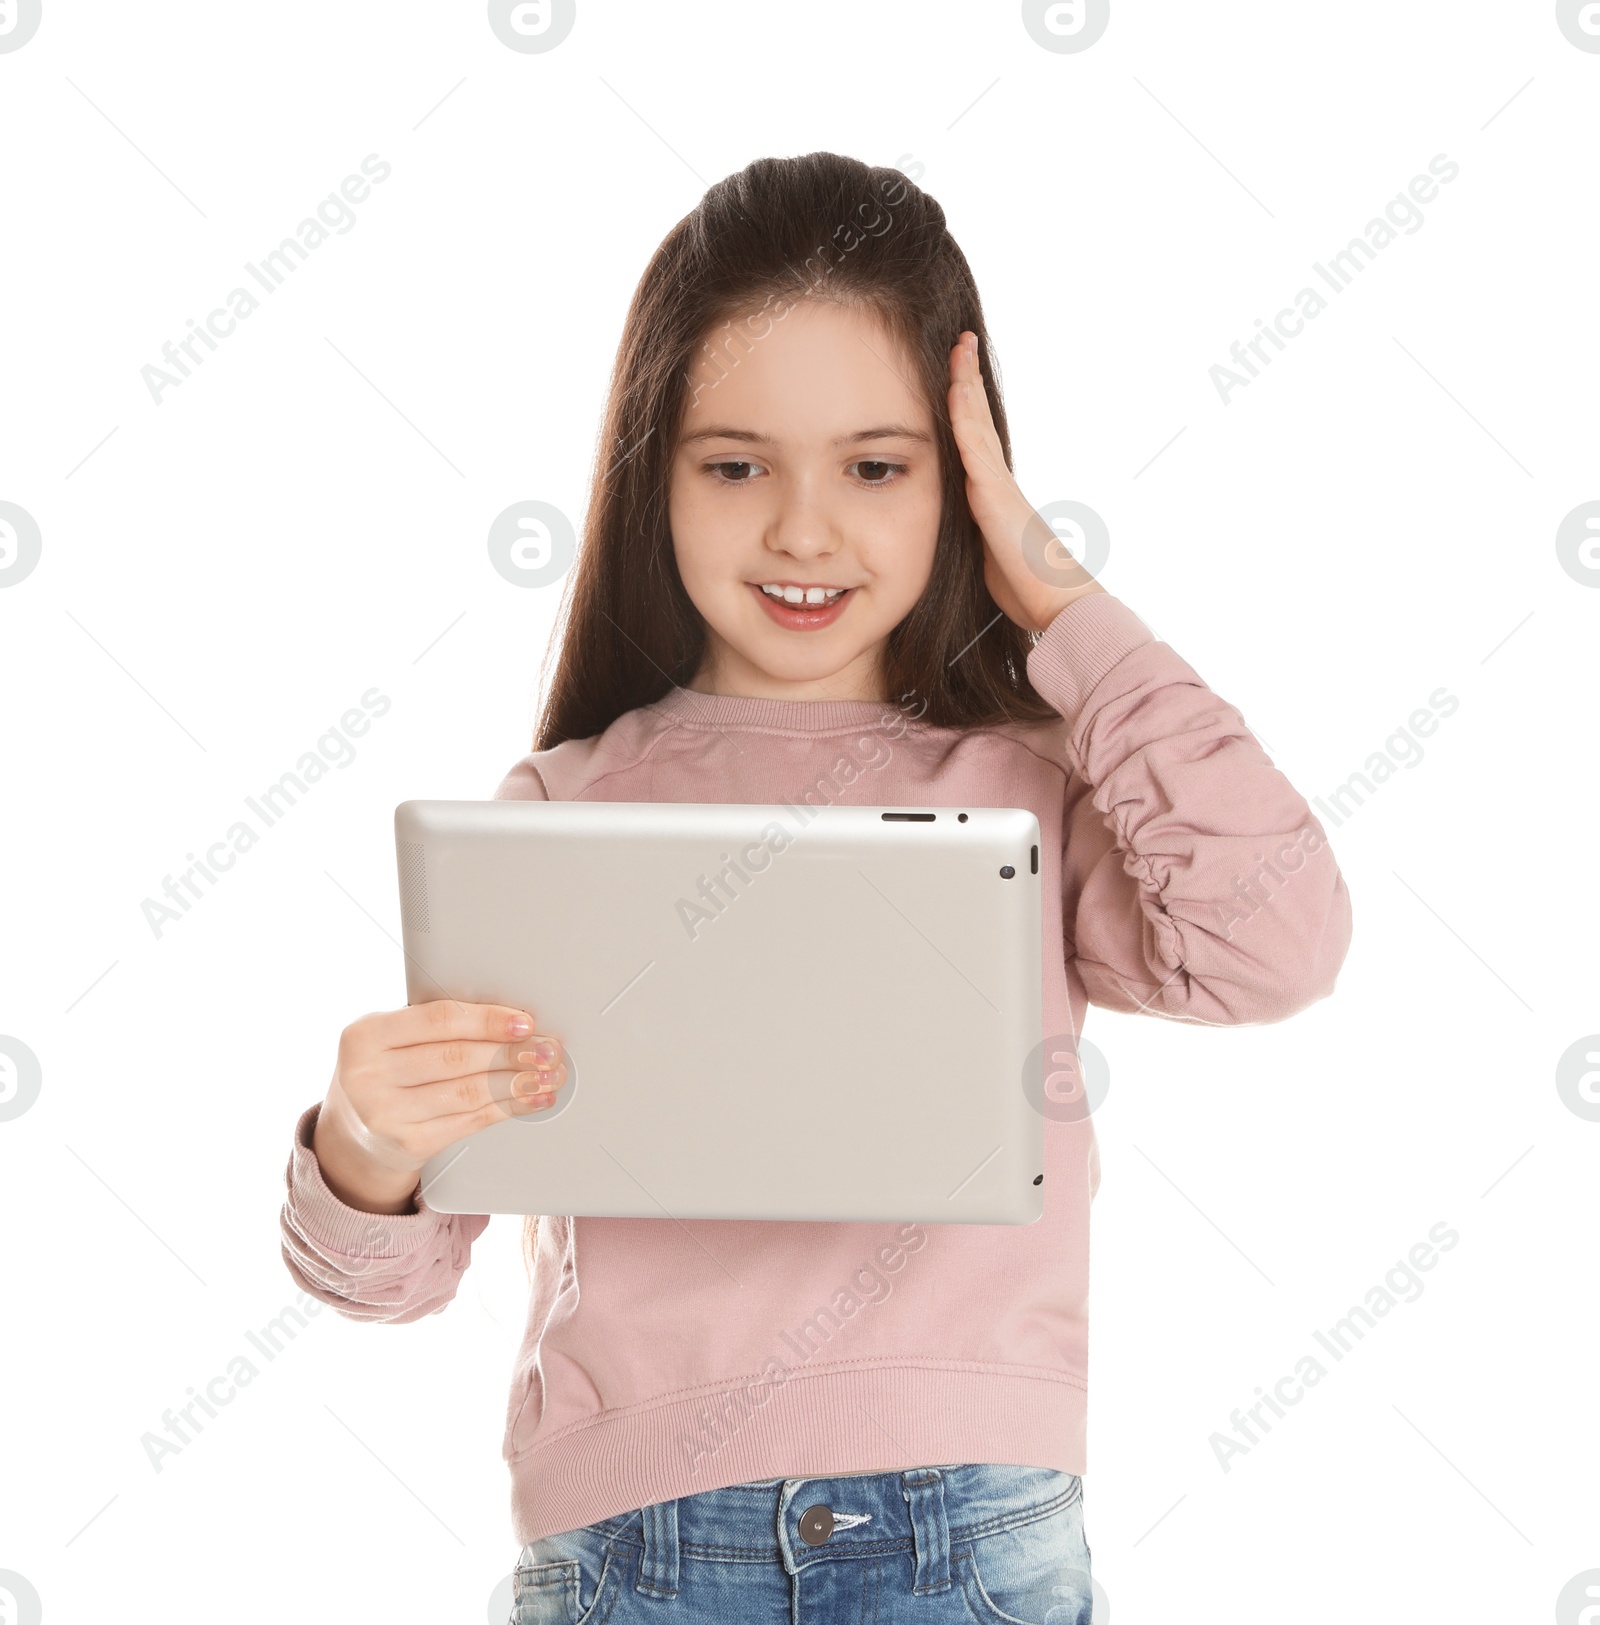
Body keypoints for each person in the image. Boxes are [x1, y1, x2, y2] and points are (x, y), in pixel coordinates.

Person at [280, 150, 1353, 1624]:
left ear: (961, 482)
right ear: (651, 474)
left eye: (875, 466)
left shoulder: (1030, 788)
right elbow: (383, 1280)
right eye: (735, 464)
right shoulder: (561, 811)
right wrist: (363, 1141)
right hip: (635, 1550)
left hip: (974, 1524)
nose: (802, 528)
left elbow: (1279, 944)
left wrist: (1065, 601)